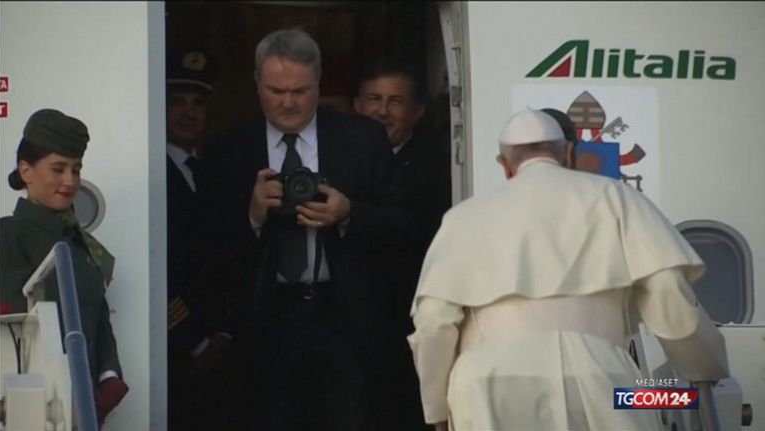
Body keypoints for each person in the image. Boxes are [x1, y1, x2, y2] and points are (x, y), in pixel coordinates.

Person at [407, 109, 729, 430]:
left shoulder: (463, 218)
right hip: (598, 374)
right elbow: (668, 292)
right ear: (570, 154)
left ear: (505, 165)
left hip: (487, 385)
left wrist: (437, 411)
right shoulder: (616, 197)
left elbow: (433, 323)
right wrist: (703, 367)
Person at [199, 28, 411, 431]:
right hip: (264, 325)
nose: (288, 102)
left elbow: (404, 226)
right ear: (256, 83)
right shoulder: (228, 151)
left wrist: (349, 214)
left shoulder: (362, 140)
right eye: (276, 91)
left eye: (300, 91)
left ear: (319, 83)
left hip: (344, 322)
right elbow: (205, 247)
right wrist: (252, 216)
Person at [0, 109, 130, 427]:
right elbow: (12, 327)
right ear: (26, 171)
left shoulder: (79, 244)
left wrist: (109, 375)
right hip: (28, 407)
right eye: (58, 169)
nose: (70, 181)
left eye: (76, 169)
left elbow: (97, 314)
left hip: (82, 403)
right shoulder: (6, 236)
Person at [354, 61, 450, 431]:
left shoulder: (438, 167)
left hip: (410, 315)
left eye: (395, 101)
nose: (382, 110)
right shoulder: (337, 159)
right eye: (373, 99)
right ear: (357, 105)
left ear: (418, 111)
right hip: (350, 323)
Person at [164, 48, 237, 430]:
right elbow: (156, 270)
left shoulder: (213, 172)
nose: (188, 113)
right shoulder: (153, 175)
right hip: (173, 348)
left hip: (220, 348)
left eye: (198, 103)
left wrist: (223, 333)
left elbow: (226, 259)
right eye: (177, 102)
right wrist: (195, 342)